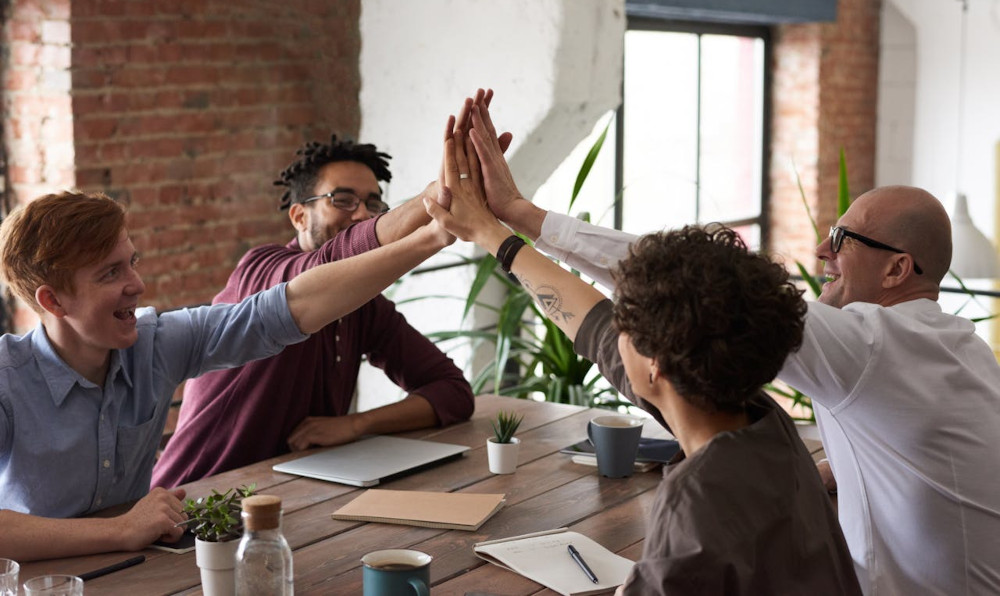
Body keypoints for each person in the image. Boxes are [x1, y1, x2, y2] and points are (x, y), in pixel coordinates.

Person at [464, 94, 1000, 593]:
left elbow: (685, 284)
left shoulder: (871, 347)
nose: (821, 250)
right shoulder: (955, 348)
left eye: (841, 238)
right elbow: (910, 452)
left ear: (897, 269)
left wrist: (519, 221)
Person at [424, 109, 861, 594]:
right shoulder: (760, 423)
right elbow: (591, 324)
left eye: (625, 323)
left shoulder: (699, 503)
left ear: (657, 363)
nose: (614, 331)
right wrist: (493, 233)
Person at [0, 189, 452, 561]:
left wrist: (430, 237)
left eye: (132, 261)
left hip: (141, 574)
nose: (137, 284)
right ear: (54, 301)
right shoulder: (7, 378)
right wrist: (120, 530)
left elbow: (284, 310)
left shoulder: (155, 342)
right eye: (110, 272)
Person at [151, 133, 474, 487]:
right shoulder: (262, 269)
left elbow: (452, 391)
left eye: (373, 203)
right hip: (196, 503)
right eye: (343, 200)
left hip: (298, 500)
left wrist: (356, 423)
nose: (363, 213)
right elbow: (328, 264)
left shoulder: (365, 307)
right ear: (299, 217)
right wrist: (433, 200)